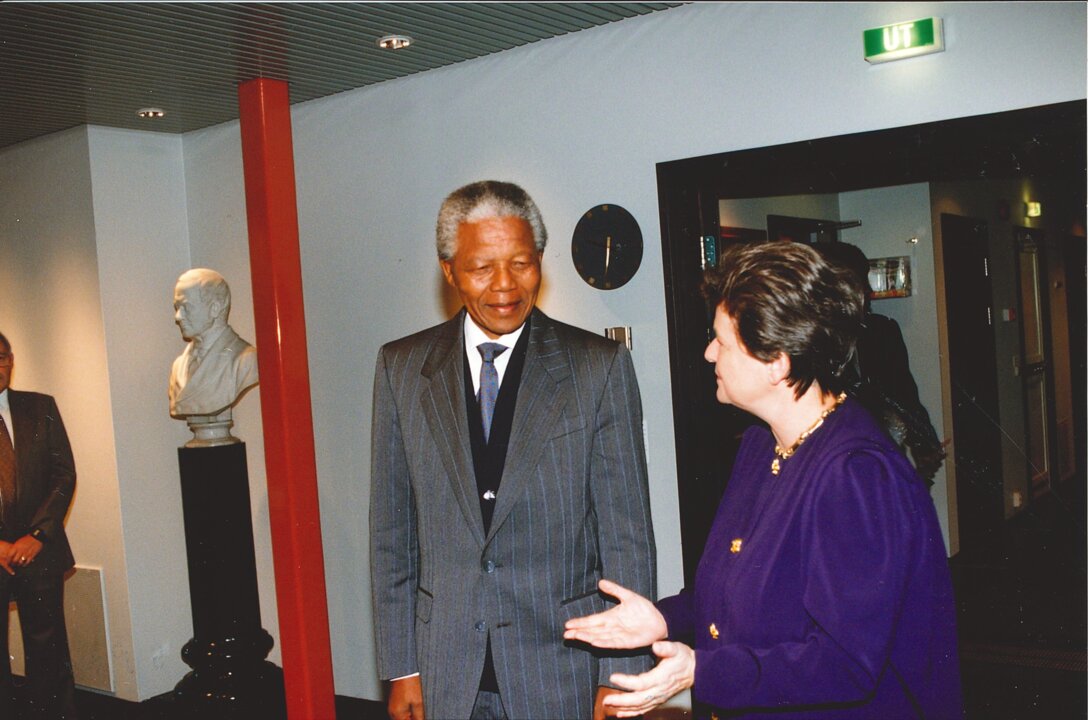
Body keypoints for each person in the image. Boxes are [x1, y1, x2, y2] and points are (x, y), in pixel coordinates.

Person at [565, 241, 961, 719]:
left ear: (778, 362)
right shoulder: (759, 446)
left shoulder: (856, 476)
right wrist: (663, 618)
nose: (710, 353)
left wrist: (702, 672)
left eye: (722, 341)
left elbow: (845, 663)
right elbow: (736, 593)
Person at [370, 180, 656, 720]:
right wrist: (403, 667)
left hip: (563, 668)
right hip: (445, 670)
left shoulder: (598, 368)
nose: (505, 286)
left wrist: (621, 675)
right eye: (482, 268)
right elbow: (391, 535)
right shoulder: (401, 368)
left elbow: (627, 537)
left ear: (541, 261)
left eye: (522, 264)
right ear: (448, 269)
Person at [815, 241, 946, 485]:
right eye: (859, 282)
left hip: (884, 456)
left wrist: (924, 444)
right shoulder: (808, 340)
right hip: (832, 464)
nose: (868, 290)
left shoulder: (882, 331)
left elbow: (904, 393)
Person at [0, 331, 80, 719]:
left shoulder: (40, 406)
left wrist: (37, 535)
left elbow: (64, 476)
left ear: (11, 360)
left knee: (47, 649)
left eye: (1, 357)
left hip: (39, 550)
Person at [169, 269, 258, 442]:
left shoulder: (245, 360)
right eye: (177, 308)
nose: (178, 317)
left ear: (215, 308)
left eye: (185, 307)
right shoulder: (178, 366)